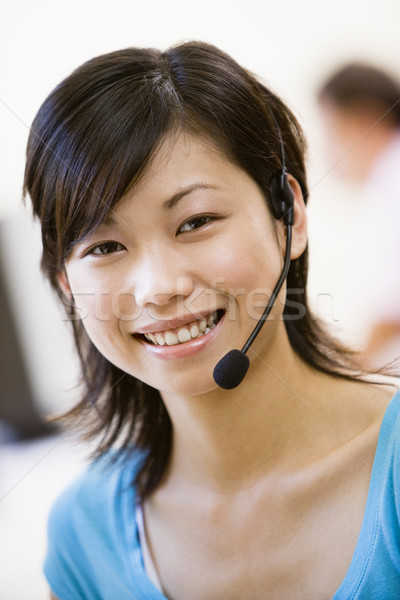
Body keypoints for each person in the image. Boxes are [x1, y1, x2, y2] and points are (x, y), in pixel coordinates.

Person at [23, 42, 400, 600]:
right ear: (66, 285)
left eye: (196, 221)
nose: (159, 287)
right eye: (104, 247)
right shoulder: (85, 535)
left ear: (289, 216)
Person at [317, 63, 400, 369]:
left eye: (330, 130)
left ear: (364, 119)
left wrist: (353, 370)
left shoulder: (392, 175)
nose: (326, 149)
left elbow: (393, 307)